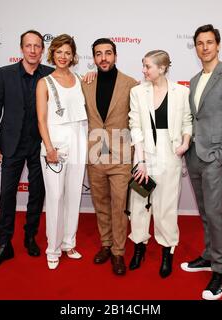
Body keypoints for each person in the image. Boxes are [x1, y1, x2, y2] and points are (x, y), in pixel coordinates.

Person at [180, 24, 222, 300]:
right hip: (194, 155)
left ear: (218, 45)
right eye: (200, 43)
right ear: (195, 47)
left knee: (215, 213)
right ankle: (208, 256)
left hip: (216, 158)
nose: (204, 47)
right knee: (205, 211)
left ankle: (221, 271)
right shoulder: (195, 80)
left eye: (209, 42)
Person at [0, 30, 54, 270]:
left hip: (40, 145)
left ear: (42, 50)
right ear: (21, 48)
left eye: (37, 46)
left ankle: (30, 236)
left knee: (37, 194)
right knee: (6, 195)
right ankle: (4, 244)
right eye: (28, 46)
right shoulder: (5, 74)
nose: (33, 50)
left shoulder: (51, 75)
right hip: (11, 144)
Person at [128, 50, 192, 278]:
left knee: (166, 204)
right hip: (144, 151)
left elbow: (187, 121)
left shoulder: (181, 92)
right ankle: (139, 247)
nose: (144, 70)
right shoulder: (137, 92)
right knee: (139, 202)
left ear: (162, 68)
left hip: (171, 152)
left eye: (148, 66)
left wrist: (184, 144)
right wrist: (141, 160)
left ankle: (167, 250)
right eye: (143, 66)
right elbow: (134, 125)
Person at [82, 38, 138, 276]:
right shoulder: (85, 83)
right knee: (101, 204)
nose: (103, 58)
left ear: (115, 56)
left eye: (108, 53)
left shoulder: (131, 84)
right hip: (96, 153)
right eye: (98, 54)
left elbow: (137, 121)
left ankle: (118, 251)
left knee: (118, 206)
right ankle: (106, 244)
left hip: (121, 155)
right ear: (93, 58)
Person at [36, 34, 88, 270]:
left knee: (73, 195)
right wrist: (48, 147)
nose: (63, 56)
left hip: (79, 137)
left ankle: (68, 243)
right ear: (52, 54)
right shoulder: (44, 82)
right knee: (55, 197)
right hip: (55, 141)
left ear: (73, 55)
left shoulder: (79, 79)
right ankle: (53, 248)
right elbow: (41, 118)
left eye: (67, 52)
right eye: (59, 52)